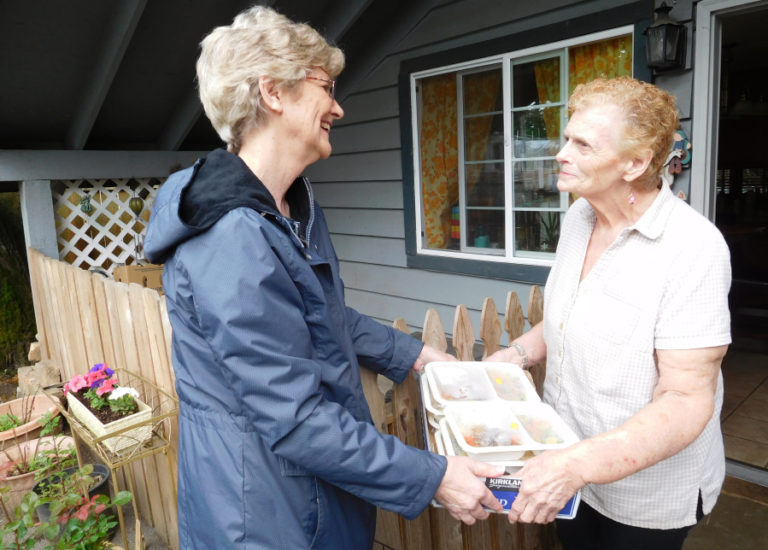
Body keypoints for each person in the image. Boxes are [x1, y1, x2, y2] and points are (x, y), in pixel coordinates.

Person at [144, 6, 502, 549]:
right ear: (274, 93)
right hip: (265, 517)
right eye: (325, 87)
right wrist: (435, 477)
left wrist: (414, 356)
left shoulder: (287, 207)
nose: (338, 105)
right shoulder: (231, 237)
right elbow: (294, 418)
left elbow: (320, 315)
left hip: (308, 497)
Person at [486, 77, 731, 550]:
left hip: (646, 494)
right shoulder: (579, 217)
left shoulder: (694, 249)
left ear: (635, 163)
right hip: (570, 463)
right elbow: (570, 311)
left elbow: (686, 399)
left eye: (582, 144)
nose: (561, 153)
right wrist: (516, 354)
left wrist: (574, 465)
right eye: (566, 138)